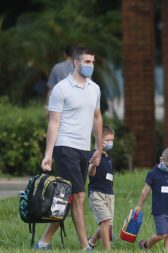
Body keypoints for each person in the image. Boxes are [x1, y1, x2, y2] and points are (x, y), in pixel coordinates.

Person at [37, 46, 103, 251]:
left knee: (66, 197)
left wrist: (99, 148)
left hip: (84, 149)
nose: (90, 66)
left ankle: (43, 242)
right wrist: (48, 155)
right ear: (75, 63)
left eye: (92, 62)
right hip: (65, 147)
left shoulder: (95, 88)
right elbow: (53, 122)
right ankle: (85, 246)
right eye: (86, 62)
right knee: (79, 196)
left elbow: (97, 118)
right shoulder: (61, 88)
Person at [86, 125, 115, 250]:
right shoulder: (93, 155)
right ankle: (107, 249)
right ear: (99, 139)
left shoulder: (108, 158)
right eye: (108, 140)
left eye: (112, 140)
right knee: (105, 221)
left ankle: (91, 242)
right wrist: (93, 165)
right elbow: (90, 173)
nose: (110, 143)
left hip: (109, 194)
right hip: (97, 193)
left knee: (107, 223)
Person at [45, 44, 77, 112]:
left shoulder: (57, 68)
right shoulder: (83, 68)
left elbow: (51, 90)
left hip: (60, 108)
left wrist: (47, 107)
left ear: (65, 54)